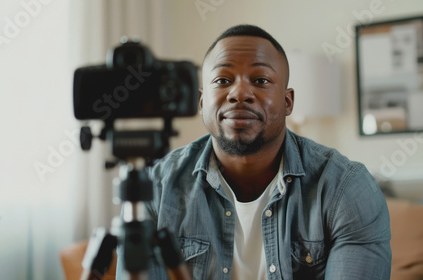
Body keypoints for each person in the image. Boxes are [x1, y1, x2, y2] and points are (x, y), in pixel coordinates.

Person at [116, 24, 391, 280]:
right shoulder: (156, 187)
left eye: (260, 80)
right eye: (223, 80)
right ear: (201, 102)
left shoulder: (345, 188)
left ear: (287, 102)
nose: (239, 93)